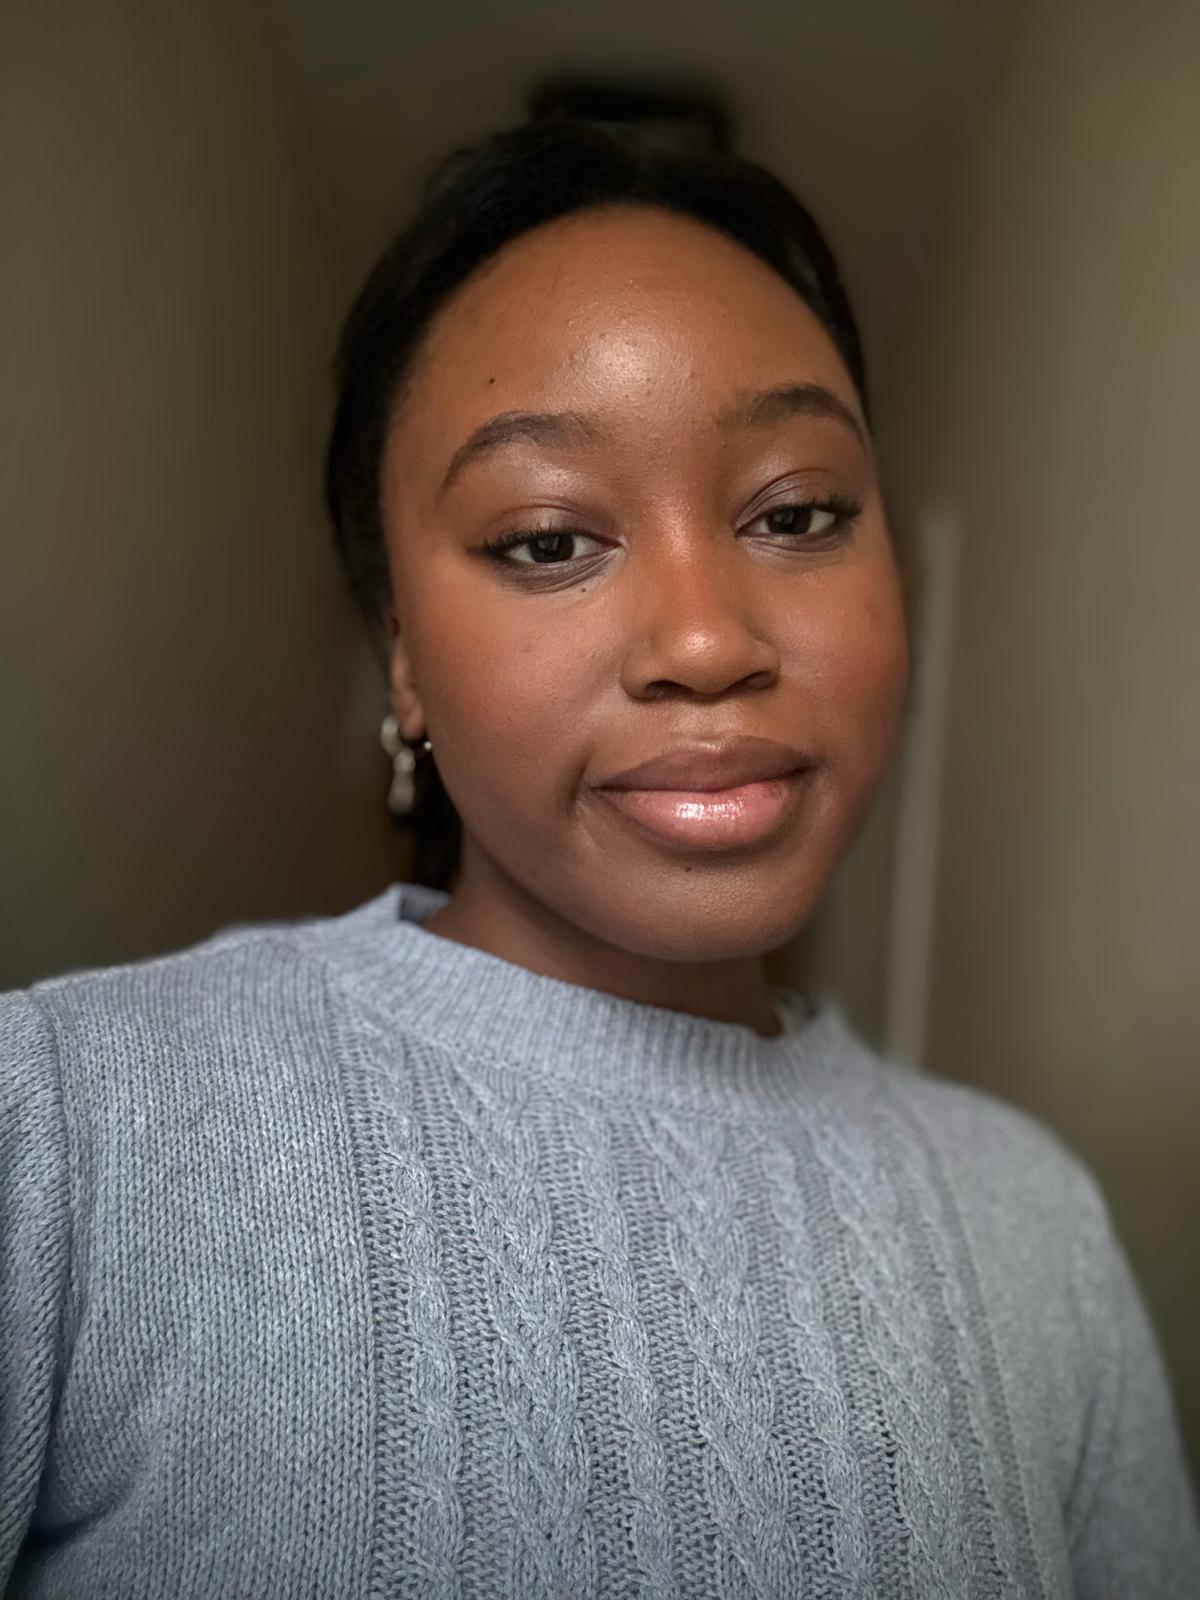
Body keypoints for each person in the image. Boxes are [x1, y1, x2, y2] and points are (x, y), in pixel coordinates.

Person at [1, 114, 1196, 1599]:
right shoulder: (71, 1130)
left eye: (798, 512)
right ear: (404, 658)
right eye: (549, 540)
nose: (704, 639)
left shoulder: (1036, 1229)